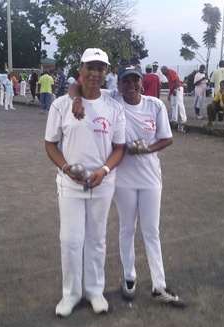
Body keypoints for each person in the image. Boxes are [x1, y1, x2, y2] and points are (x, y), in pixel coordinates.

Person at [70, 62, 186, 308]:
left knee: (151, 231)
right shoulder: (113, 99)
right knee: (126, 229)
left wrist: (147, 148)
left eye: (135, 80)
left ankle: (159, 286)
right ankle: (129, 278)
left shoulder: (154, 105)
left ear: (141, 82)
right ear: (119, 83)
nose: (131, 85)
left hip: (150, 177)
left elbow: (167, 139)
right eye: (126, 81)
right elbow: (75, 86)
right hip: (122, 179)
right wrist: (76, 101)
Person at [44, 48, 126, 317]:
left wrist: (103, 171)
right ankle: (71, 294)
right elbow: (51, 144)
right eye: (90, 67)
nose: (95, 73)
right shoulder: (60, 105)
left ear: (106, 73)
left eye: (101, 68)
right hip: (70, 184)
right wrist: (66, 168)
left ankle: (94, 291)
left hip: (102, 184)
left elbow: (119, 148)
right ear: (80, 69)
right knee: (70, 240)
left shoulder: (114, 107)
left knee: (96, 239)